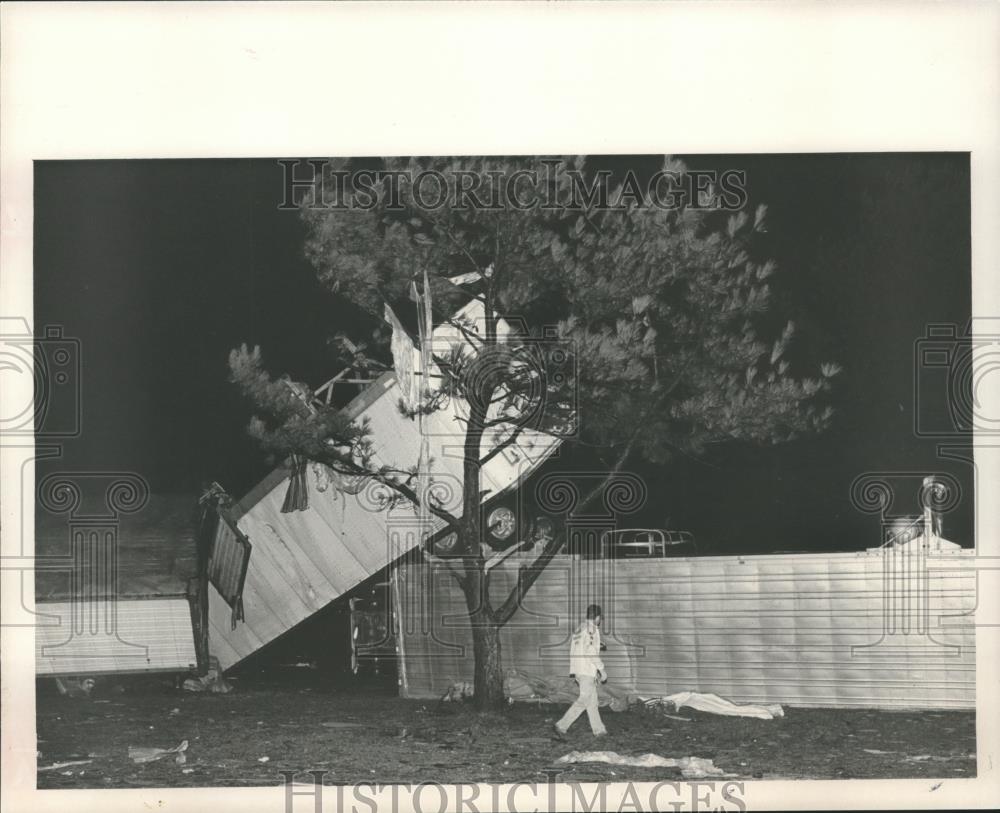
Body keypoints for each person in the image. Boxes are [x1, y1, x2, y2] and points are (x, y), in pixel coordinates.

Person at [553, 603, 608, 738]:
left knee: (592, 702)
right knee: (584, 700)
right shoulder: (592, 629)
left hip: (579, 669)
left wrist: (598, 645)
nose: (600, 621)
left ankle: (599, 730)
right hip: (586, 670)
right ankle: (561, 725)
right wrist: (602, 669)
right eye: (600, 618)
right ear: (597, 617)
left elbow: (582, 647)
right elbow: (589, 651)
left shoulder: (580, 628)